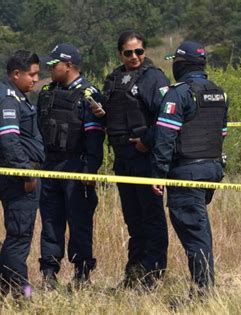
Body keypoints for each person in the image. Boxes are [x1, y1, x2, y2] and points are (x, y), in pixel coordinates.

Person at [151, 41, 227, 297]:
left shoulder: (179, 93)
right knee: (198, 228)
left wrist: (158, 173)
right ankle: (203, 286)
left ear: (180, 64)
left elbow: (165, 137)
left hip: (187, 173)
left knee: (195, 233)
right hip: (212, 170)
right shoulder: (218, 92)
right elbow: (221, 133)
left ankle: (203, 292)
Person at [99, 30, 169, 289]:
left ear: (145, 51)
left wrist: (146, 141)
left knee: (152, 218)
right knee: (133, 220)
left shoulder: (154, 78)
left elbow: (165, 117)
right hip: (123, 160)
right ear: (120, 53)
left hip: (145, 159)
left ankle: (154, 275)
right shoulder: (114, 78)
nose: (134, 56)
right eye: (128, 52)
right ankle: (134, 274)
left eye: (138, 51)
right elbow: (110, 115)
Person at [37, 43, 105, 289]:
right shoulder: (46, 92)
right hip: (50, 165)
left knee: (79, 222)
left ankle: (82, 273)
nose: (50, 68)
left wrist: (89, 171)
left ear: (69, 65)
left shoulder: (89, 95)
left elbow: (95, 138)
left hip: (76, 166)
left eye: (54, 64)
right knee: (50, 221)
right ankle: (48, 273)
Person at [0, 50, 44, 300]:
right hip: (19, 178)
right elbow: (10, 142)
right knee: (20, 238)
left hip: (19, 174)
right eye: (32, 75)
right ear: (16, 74)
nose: (35, 79)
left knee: (16, 236)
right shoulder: (8, 100)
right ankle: (24, 296)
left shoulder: (15, 95)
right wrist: (27, 175)